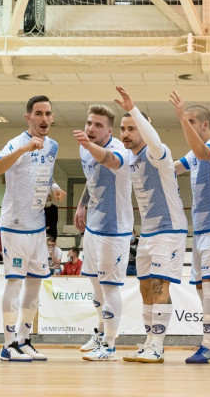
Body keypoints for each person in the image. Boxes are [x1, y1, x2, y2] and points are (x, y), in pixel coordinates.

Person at [113, 86, 189, 364]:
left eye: (132, 128)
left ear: (144, 130)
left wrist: (133, 109)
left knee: (159, 285)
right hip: (148, 233)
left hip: (169, 230)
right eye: (123, 129)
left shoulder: (158, 153)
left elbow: (154, 141)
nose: (126, 134)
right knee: (145, 287)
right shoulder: (131, 159)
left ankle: (157, 345)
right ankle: (148, 343)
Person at [0, 94, 65, 362]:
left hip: (37, 226)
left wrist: (54, 187)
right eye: (39, 113)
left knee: (34, 284)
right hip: (15, 225)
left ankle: (24, 339)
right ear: (28, 117)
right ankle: (8, 344)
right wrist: (23, 150)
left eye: (48, 113)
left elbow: (44, 174)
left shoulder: (53, 146)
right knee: (14, 282)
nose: (44, 118)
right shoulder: (16, 143)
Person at [170, 92, 210, 364]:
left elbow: (201, 152)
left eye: (191, 121)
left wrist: (180, 117)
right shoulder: (192, 154)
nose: (187, 125)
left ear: (205, 124)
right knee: (200, 287)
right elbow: (172, 168)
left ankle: (207, 346)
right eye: (185, 121)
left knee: (209, 286)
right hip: (199, 230)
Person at [74, 104, 133, 362]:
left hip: (114, 229)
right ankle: (100, 333)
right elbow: (92, 179)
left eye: (98, 125)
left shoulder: (119, 149)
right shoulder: (85, 147)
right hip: (93, 228)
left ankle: (109, 346)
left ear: (110, 131)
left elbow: (110, 161)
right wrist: (82, 204)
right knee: (95, 286)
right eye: (89, 123)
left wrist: (88, 145)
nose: (91, 128)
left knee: (109, 289)